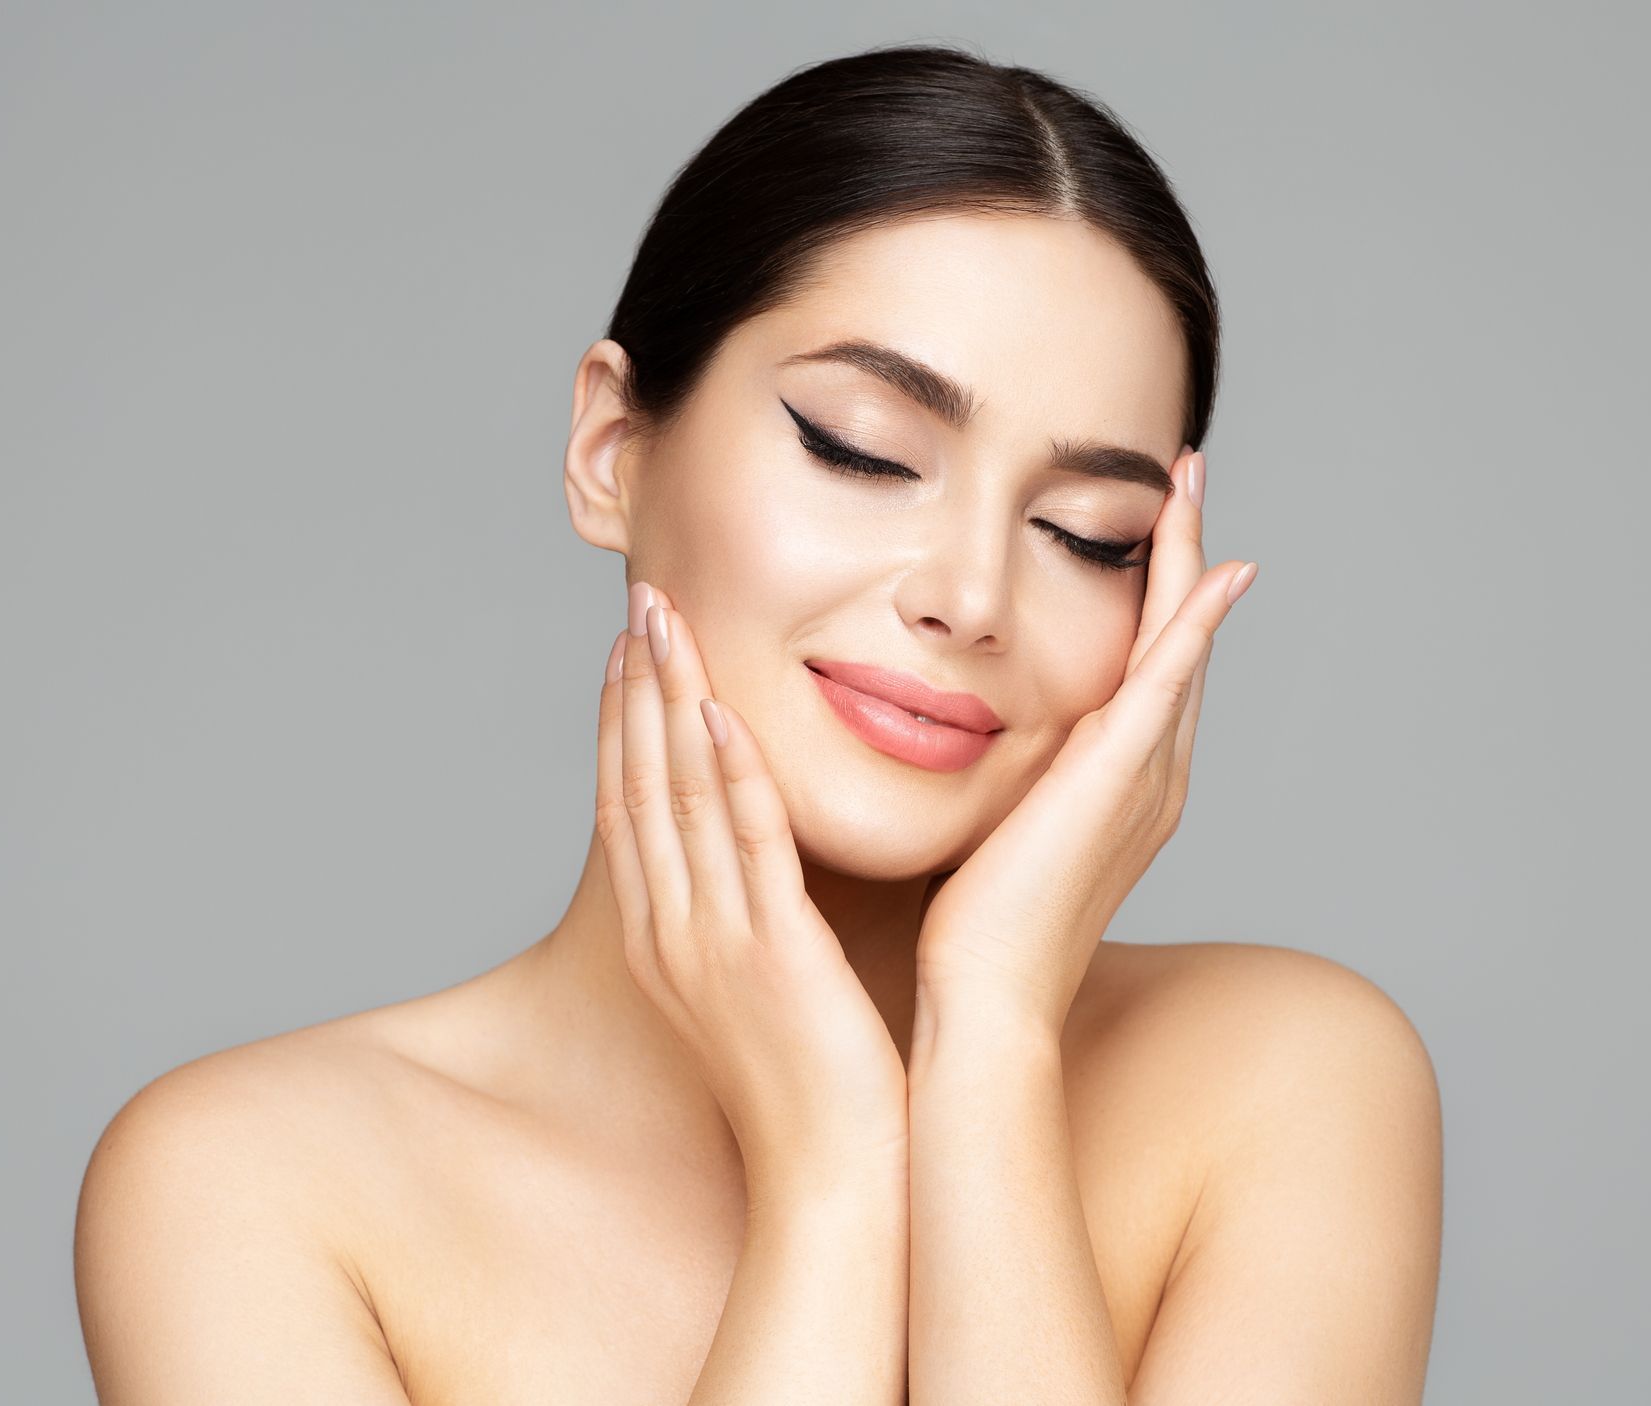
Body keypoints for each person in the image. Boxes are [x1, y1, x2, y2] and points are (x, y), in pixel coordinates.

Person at [73, 42, 1443, 1404]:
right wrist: (831, 1171)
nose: (971, 597)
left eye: (1091, 534)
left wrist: (989, 1050)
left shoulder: (1287, 1081)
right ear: (613, 450)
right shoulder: (253, 1188)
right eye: (863, 450)